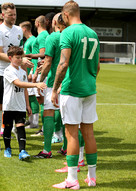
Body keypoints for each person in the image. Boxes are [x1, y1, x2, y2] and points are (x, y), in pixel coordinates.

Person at [51, 1, 100, 189]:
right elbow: (97, 66)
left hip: (72, 90)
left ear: (65, 14)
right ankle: (92, 178)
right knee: (88, 132)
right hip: (90, 89)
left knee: (71, 134)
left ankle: (72, 180)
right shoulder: (93, 33)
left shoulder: (68, 32)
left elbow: (62, 64)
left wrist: (54, 89)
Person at [0, 2, 33, 153]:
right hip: (0, 73)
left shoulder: (18, 31)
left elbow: (19, 53)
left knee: (16, 106)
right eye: (10, 15)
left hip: (16, 73)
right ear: (3, 15)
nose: (13, 17)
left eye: (15, 14)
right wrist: (20, 60)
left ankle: (15, 131)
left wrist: (23, 65)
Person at [2, 46, 46, 160]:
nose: (20, 60)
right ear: (10, 58)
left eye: (21, 57)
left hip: (20, 105)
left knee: (20, 127)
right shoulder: (8, 70)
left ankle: (22, 151)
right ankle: (8, 148)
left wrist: (27, 104)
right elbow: (19, 84)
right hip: (9, 104)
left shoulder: (22, 71)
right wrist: (36, 84)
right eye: (17, 57)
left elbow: (25, 90)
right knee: (8, 127)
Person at [33, 13, 66, 158]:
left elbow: (48, 62)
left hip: (54, 81)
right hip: (70, 81)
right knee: (69, 117)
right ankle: (67, 147)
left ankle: (47, 150)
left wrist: (40, 80)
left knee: (48, 112)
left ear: (54, 22)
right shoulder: (74, 35)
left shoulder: (53, 37)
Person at [19, 21, 39, 129]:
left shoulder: (33, 41)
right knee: (29, 95)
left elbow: (35, 59)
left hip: (31, 73)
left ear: (25, 29)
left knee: (32, 96)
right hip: (27, 72)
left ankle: (34, 122)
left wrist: (32, 72)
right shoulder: (27, 42)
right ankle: (31, 120)